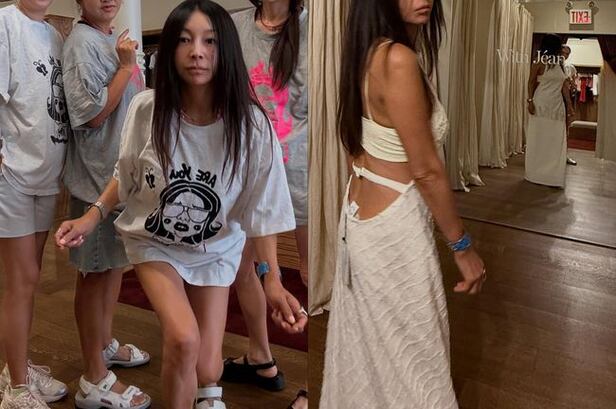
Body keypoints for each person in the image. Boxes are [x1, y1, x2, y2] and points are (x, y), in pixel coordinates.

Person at [55, 1, 307, 408]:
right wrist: (91, 215)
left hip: (215, 249)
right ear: (170, 50)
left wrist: (272, 280)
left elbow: (263, 210)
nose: (197, 52)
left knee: (209, 368)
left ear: (226, 50)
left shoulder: (252, 126)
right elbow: (126, 174)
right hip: (156, 242)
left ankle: (207, 393)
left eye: (210, 41)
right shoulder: (148, 108)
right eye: (185, 41)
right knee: (184, 338)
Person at [319, 0, 486, 407]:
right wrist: (462, 247)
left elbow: (354, 145)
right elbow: (427, 170)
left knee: (373, 353)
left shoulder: (368, 52)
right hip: (394, 227)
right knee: (415, 360)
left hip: (361, 219)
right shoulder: (397, 59)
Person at [61, 0, 150, 407]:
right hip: (95, 184)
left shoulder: (112, 39)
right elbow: (91, 115)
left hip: (119, 182)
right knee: (94, 276)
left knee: (112, 269)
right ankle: (93, 377)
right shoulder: (81, 43)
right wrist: (126, 68)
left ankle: (104, 343)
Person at [225, 1, 308, 408]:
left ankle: (315, 384)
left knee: (312, 276)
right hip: (247, 169)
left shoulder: (313, 30)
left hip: (301, 172)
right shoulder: (236, 25)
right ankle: (260, 356)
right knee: (243, 267)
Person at [0, 1, 71, 407]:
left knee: (31, 279)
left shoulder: (54, 35)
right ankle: (15, 389)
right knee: (21, 280)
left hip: (45, 176)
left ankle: (17, 367)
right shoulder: (5, 24)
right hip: (12, 175)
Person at [526, 34, 574, 188]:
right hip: (541, 104)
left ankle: (552, 175)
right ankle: (535, 173)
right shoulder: (539, 62)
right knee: (540, 138)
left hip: (557, 105)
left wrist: (569, 105)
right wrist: (530, 101)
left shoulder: (560, 63)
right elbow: (530, 82)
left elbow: (564, 86)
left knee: (555, 139)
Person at [562, 44, 578, 166]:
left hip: (566, 98)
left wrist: (572, 85)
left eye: (567, 54)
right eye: (563, 52)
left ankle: (564, 155)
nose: (565, 55)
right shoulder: (553, 65)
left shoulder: (570, 67)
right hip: (554, 97)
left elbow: (573, 84)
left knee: (566, 128)